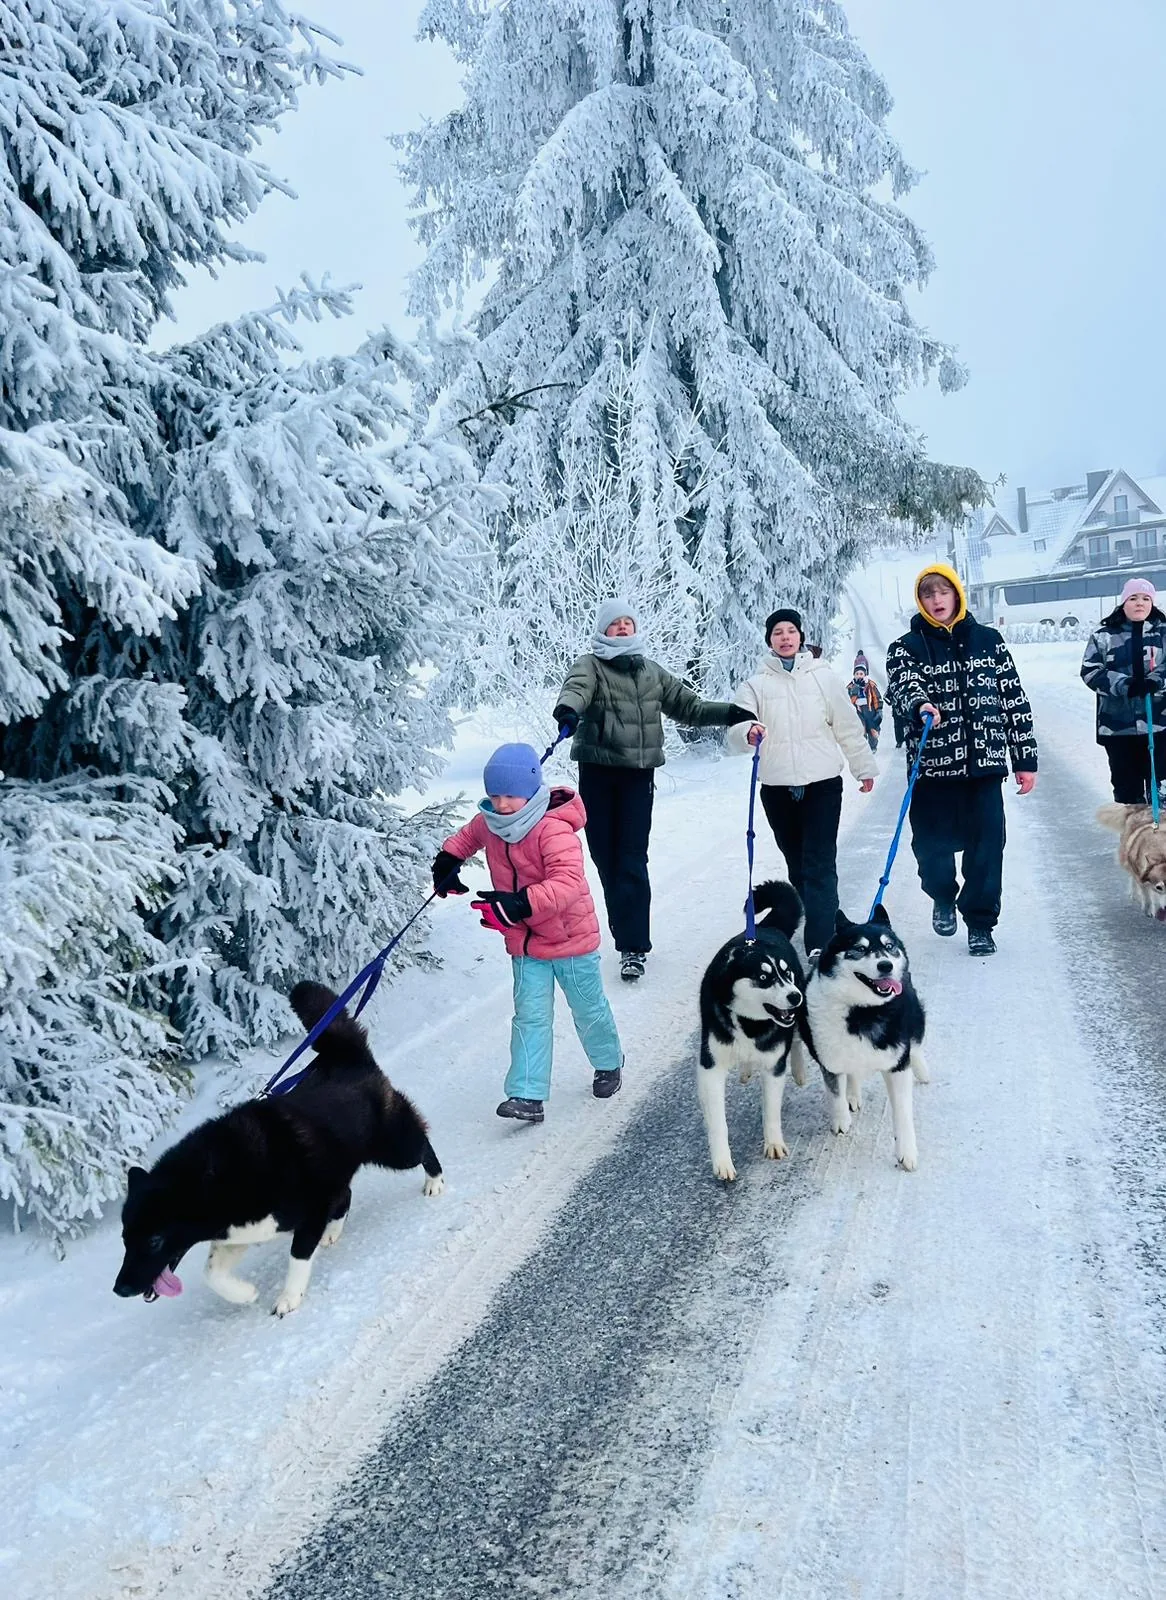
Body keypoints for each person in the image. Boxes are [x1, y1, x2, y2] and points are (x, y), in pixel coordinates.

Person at [552, 599, 755, 982]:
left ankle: (633, 946)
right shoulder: (590, 665)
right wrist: (568, 712)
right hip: (597, 773)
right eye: (616, 624)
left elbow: (690, 707)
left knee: (630, 859)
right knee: (605, 859)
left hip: (637, 778)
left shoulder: (651, 673)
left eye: (629, 622)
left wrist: (730, 712)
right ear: (604, 631)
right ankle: (623, 926)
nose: (624, 628)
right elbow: (576, 690)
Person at [432, 743, 624, 1124]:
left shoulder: (552, 828)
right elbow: (466, 839)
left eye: (511, 796)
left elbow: (568, 882)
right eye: (494, 795)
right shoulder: (489, 822)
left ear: (532, 791)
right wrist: (447, 862)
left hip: (571, 940)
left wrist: (519, 903)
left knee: (587, 1010)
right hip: (525, 942)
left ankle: (609, 1063)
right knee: (530, 1017)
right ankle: (527, 1094)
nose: (502, 804)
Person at [885, 563, 1038, 957]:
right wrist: (920, 704)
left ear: (957, 594)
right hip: (933, 768)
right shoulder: (907, 647)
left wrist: (1024, 758)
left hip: (984, 767)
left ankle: (980, 924)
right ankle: (941, 895)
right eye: (928, 594)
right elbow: (903, 686)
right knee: (932, 852)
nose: (937, 600)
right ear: (921, 602)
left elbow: (1013, 701)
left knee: (987, 848)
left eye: (943, 592)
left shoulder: (989, 640)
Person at [727, 608, 878, 956]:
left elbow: (847, 725)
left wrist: (863, 767)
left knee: (819, 863)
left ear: (801, 637)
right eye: (777, 632)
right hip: (777, 789)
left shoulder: (822, 677)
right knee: (797, 864)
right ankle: (830, 919)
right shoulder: (755, 685)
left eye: (791, 631)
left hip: (822, 784)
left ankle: (821, 943)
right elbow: (736, 723)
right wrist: (747, 731)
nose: (785, 637)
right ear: (769, 641)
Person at [1080, 578, 1166, 804]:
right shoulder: (1103, 635)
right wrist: (1124, 684)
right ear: (1123, 602)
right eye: (1134, 598)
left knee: (1162, 790)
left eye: (1146, 598)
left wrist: (1156, 680)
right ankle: (1133, 837)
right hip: (1119, 728)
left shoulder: (1163, 633)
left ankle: (1160, 837)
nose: (1140, 603)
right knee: (1128, 793)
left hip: (1160, 725)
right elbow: (1090, 671)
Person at [846, 653, 884, 753]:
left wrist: (879, 709)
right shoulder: (851, 687)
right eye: (857, 674)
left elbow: (877, 697)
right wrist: (855, 691)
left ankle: (873, 746)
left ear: (865, 674)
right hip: (857, 711)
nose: (859, 676)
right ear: (854, 675)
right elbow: (847, 700)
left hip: (870, 710)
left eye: (861, 674)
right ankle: (862, 748)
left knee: (872, 729)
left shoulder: (870, 685)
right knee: (860, 729)